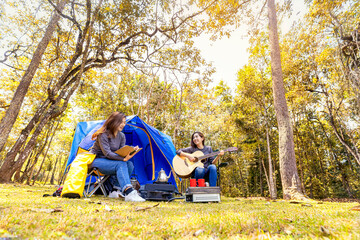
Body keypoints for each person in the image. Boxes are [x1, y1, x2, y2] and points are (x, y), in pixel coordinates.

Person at [89, 112, 145, 202]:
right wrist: (123, 159)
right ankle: (129, 192)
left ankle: (115, 190)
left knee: (129, 164)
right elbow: (107, 153)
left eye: (124, 122)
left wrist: (131, 150)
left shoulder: (121, 136)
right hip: (97, 161)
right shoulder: (103, 134)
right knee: (121, 163)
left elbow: (121, 151)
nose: (123, 124)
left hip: (111, 162)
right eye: (121, 122)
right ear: (114, 121)